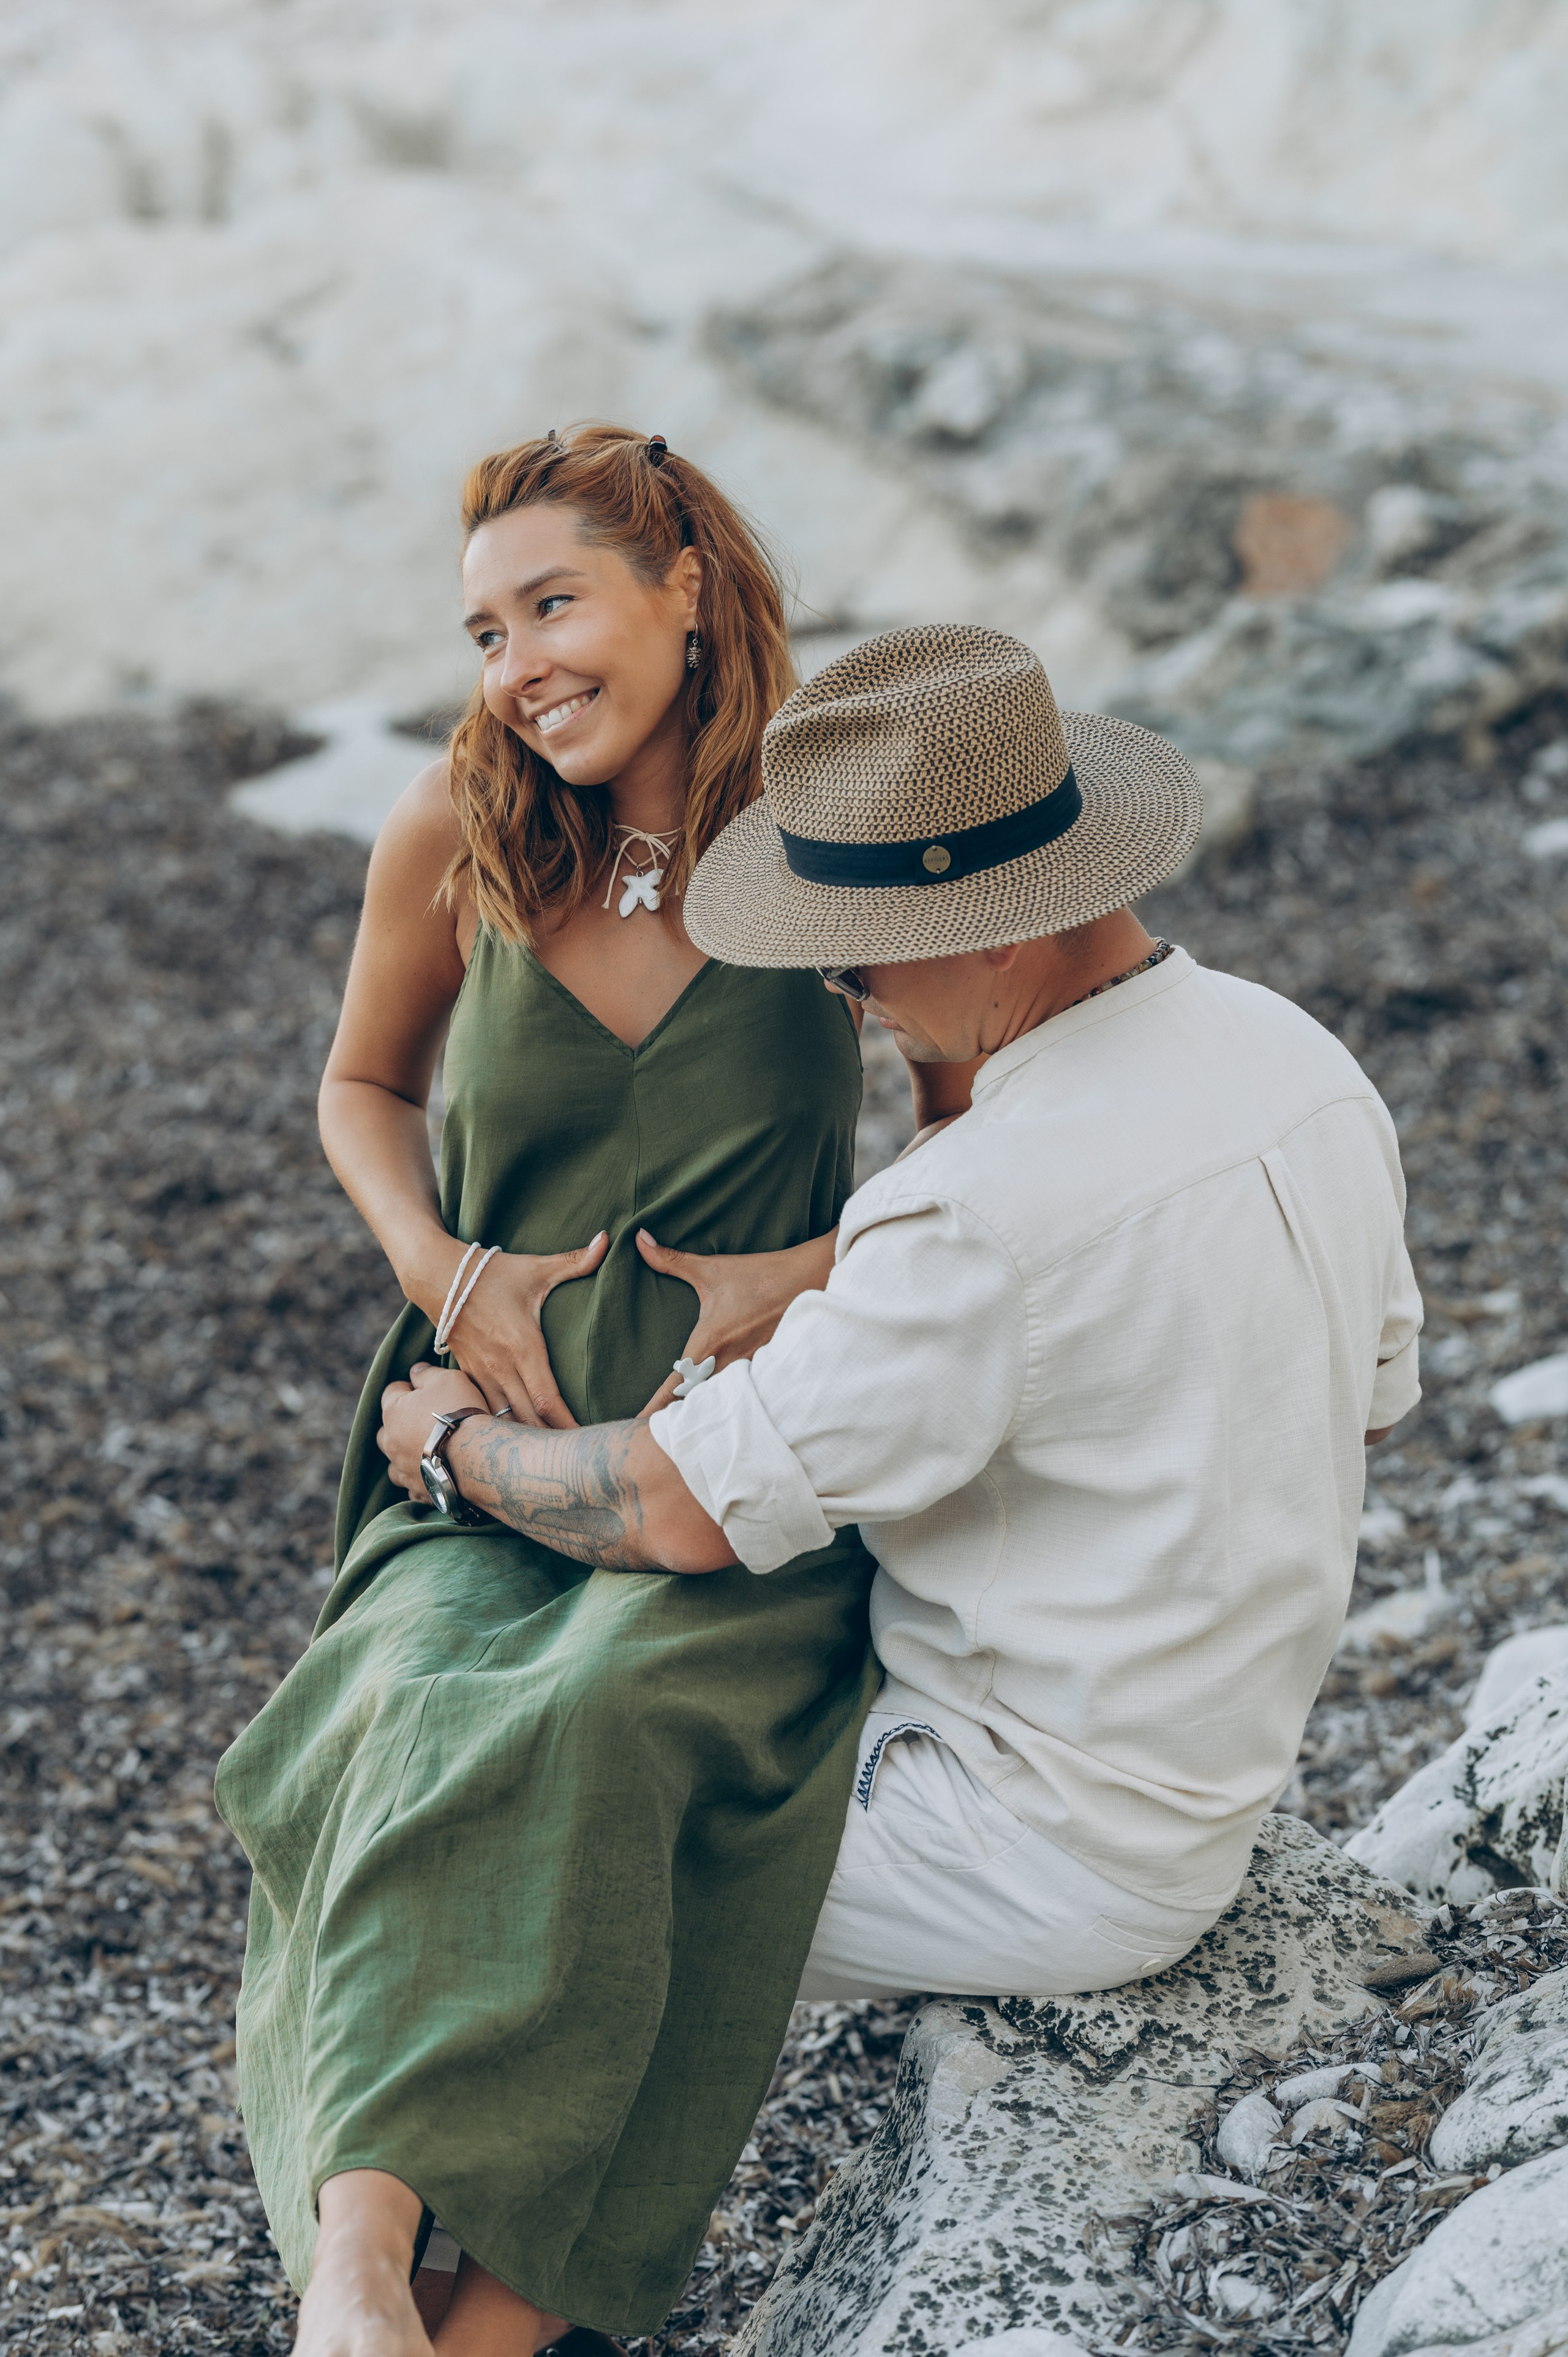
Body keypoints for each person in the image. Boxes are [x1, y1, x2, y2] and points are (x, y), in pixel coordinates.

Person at [379, 622, 1423, 2051]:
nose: (841, 994)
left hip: (1016, 1838)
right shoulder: (1296, 1061)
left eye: (852, 959)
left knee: (475, 1837)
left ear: (992, 926)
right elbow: (1364, 1402)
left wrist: (452, 1442)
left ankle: (421, 2202)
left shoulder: (978, 1208)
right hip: (1195, 1780)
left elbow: (671, 1507)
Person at [217, 429, 961, 2357]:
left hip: (734, 1478)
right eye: (486, 631)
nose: (519, 666)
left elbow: (984, 1134)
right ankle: (359, 2263)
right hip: (467, 1453)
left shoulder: (828, 834)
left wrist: (825, 1267)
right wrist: (439, 1268)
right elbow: (360, 1087)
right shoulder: (454, 830)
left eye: (554, 605)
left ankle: (460, 2329)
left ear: (685, 589)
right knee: (405, 1705)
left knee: (612, 1722)